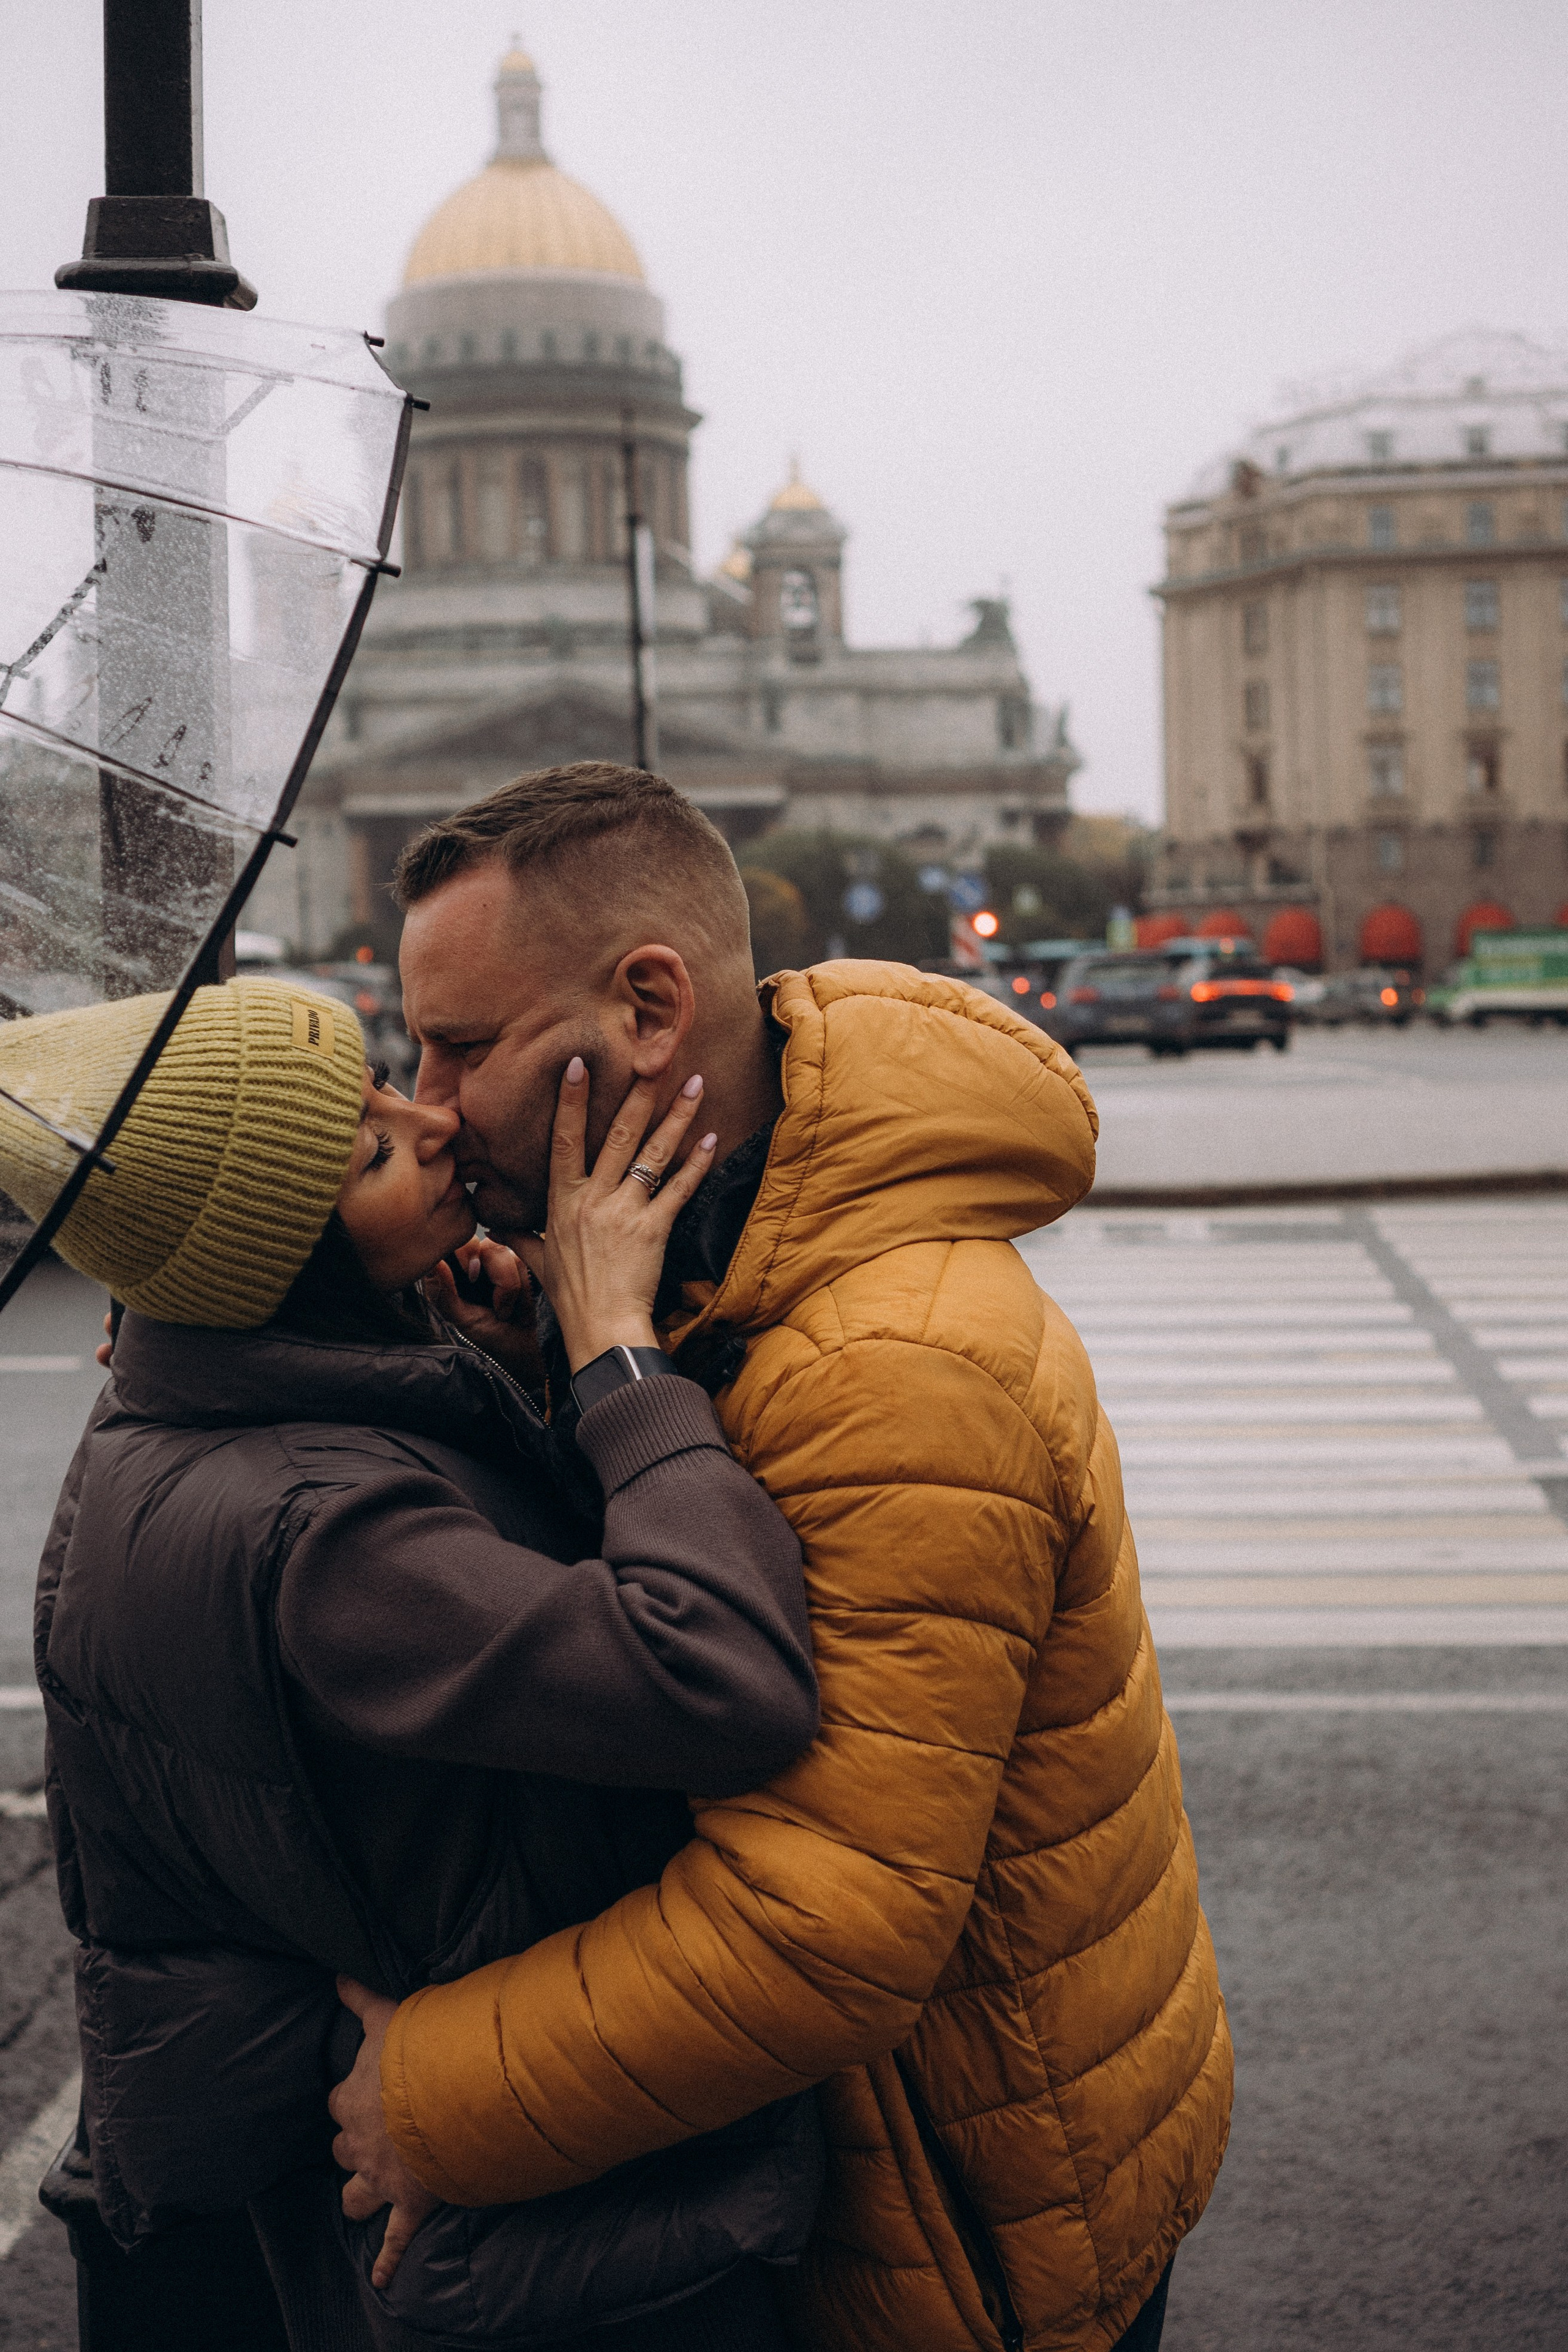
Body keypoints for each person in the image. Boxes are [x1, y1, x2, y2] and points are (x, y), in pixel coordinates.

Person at [328, 762, 1233, 2352]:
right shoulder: (702, 1257)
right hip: (905, 2148)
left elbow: (825, 1931)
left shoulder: (892, 1363)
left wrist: (428, 2094)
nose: (430, 1100)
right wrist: (561, 1347)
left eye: (463, 1046)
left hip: (964, 2209)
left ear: (653, 1009)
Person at [11, 975, 823, 2350]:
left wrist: (498, 1367)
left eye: (385, 1081)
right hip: (503, 2258)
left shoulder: (173, 1410)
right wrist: (620, 1365)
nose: (432, 1119)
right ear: (283, 1265)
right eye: (375, 1151)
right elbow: (720, 1680)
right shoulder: (329, 1533)